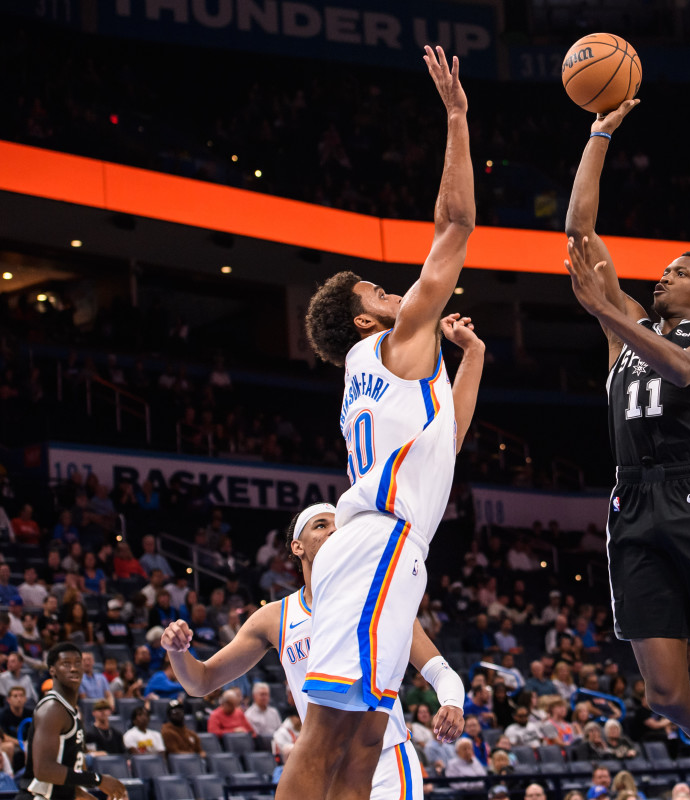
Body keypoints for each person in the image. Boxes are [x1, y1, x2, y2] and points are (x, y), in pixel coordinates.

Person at [287, 45, 477, 800]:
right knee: (331, 729)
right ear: (365, 317)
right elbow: (456, 224)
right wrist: (458, 118)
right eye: (377, 287)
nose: (393, 289)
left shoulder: (381, 370)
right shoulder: (393, 342)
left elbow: (446, 443)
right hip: (379, 542)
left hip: (382, 543)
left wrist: (473, 361)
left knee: (369, 734)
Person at [561, 98, 690, 763]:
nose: (663, 274)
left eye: (679, 272)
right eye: (665, 268)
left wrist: (605, 313)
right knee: (666, 693)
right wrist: (599, 133)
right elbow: (579, 232)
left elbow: (680, 372)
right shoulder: (629, 324)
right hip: (631, 498)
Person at [162, 502, 467, 800]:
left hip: (385, 759)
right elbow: (200, 682)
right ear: (297, 547)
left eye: (341, 527)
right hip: (323, 765)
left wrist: (452, 702)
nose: (334, 531)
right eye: (321, 526)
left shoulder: (382, 600)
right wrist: (177, 651)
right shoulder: (275, 618)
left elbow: (440, 672)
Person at [19, 642, 128, 799]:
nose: (74, 668)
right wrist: (99, 780)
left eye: (78, 663)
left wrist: (85, 796)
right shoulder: (52, 708)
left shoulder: (71, 711)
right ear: (52, 670)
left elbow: (65, 774)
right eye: (66, 664)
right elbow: (44, 770)